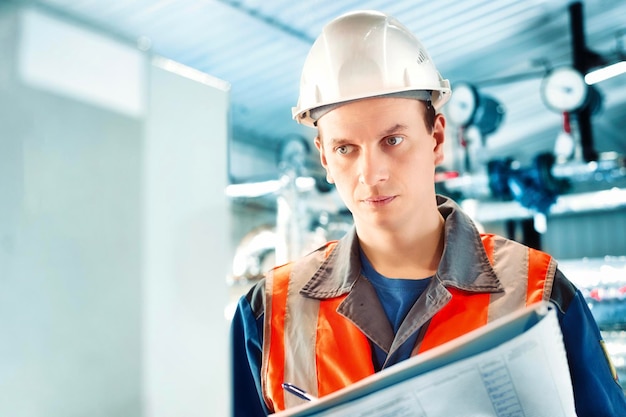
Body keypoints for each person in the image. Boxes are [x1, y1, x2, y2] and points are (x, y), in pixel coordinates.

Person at [230, 10, 626, 417]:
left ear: (437, 138)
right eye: (346, 148)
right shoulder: (269, 312)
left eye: (393, 140)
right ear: (324, 158)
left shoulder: (539, 292)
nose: (371, 174)